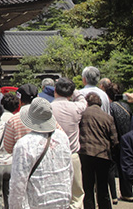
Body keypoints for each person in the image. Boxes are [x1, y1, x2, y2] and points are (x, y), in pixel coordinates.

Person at [9, 97, 73, 209]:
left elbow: (17, 184)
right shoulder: (62, 138)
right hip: (62, 201)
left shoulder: (24, 144)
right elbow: (69, 171)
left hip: (38, 203)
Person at [51, 77, 87, 209]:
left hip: (53, 155)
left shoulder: (48, 108)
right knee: (76, 193)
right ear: (71, 94)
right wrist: (74, 89)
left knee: (54, 189)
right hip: (72, 154)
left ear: (55, 91)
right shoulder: (77, 108)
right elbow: (83, 100)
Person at [79, 93, 118, 209]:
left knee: (88, 188)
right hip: (103, 155)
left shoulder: (83, 114)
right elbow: (114, 140)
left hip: (86, 154)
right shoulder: (108, 117)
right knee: (103, 189)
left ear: (87, 103)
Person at [103, 82, 133, 203]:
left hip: (114, 139)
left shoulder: (110, 107)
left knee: (111, 167)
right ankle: (128, 193)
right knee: (125, 166)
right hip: (127, 139)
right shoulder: (126, 106)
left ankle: (113, 196)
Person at [3, 84, 39, 153]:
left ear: (20, 101)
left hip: (22, 160)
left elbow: (8, 148)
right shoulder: (47, 116)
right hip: (43, 160)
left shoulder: (13, 120)